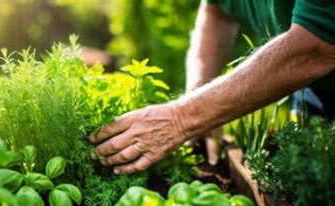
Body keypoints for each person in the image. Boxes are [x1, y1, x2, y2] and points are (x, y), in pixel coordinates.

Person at [89, 0, 335, 175]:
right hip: (311, 91)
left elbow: (315, 46)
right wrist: (199, 100)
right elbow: (217, 11)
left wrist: (180, 118)